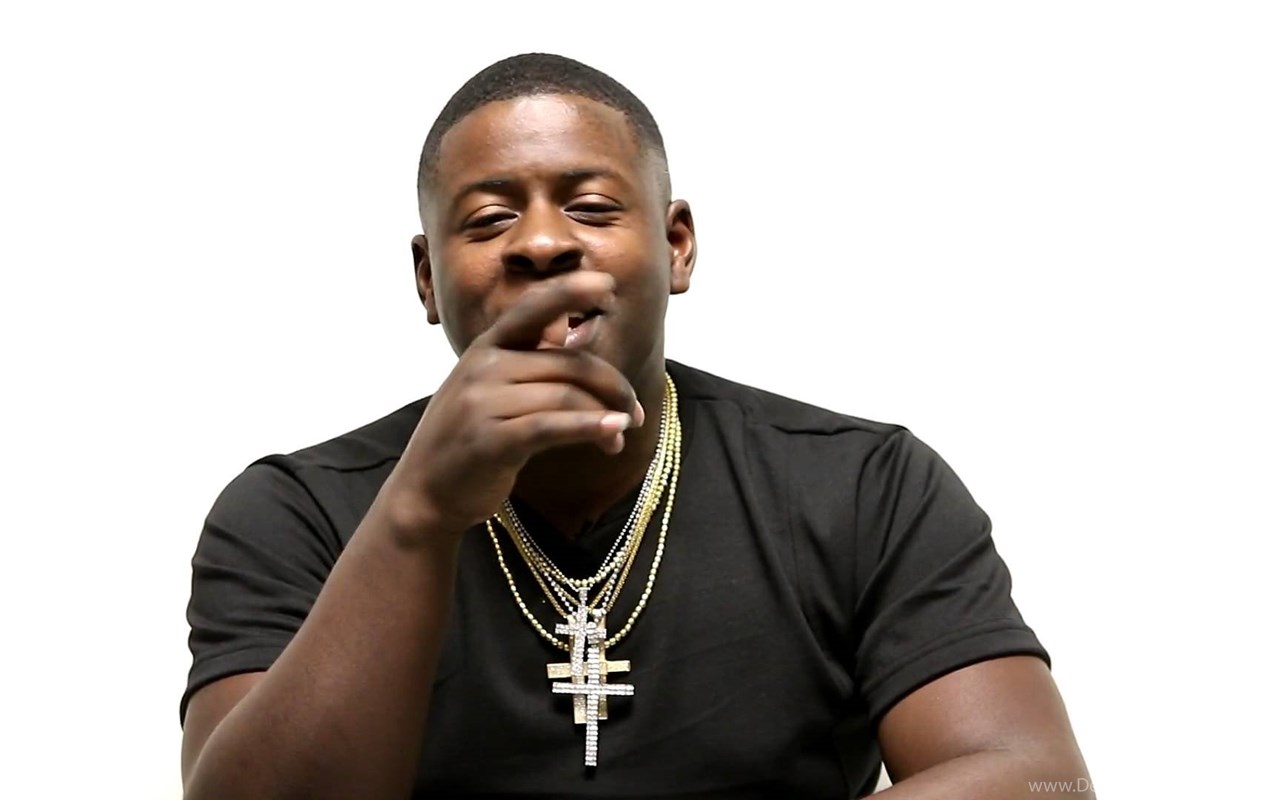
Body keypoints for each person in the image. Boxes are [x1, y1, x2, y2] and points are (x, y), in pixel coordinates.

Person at [179, 53, 1093, 799]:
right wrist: (417, 515)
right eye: (490, 219)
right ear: (428, 280)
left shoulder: (864, 486)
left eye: (590, 207)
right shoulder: (291, 514)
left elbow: (1039, 780)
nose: (542, 243)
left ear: (676, 244)